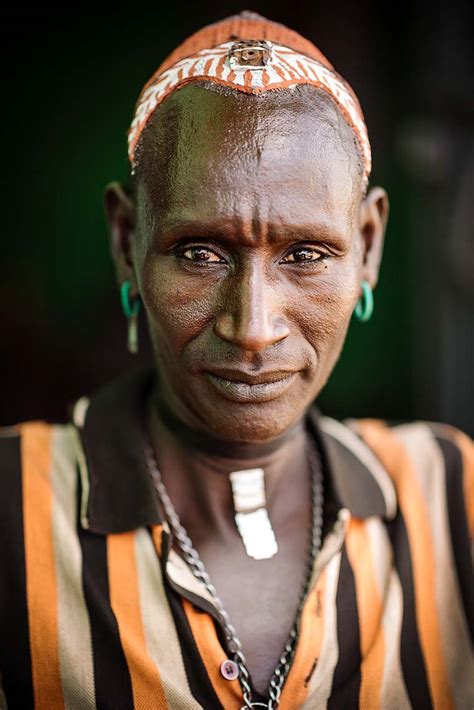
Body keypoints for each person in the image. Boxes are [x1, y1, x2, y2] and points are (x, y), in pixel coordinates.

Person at [0, 11, 472, 710]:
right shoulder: (11, 512)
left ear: (368, 246)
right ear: (127, 240)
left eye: (306, 255)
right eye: (199, 252)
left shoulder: (452, 496)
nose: (252, 327)